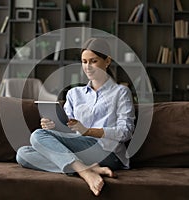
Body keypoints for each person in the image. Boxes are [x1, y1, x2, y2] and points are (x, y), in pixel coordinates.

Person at [16, 38, 135, 196]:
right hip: (79, 148)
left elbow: (126, 131)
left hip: (107, 152)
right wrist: (53, 126)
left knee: (37, 135)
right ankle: (86, 169)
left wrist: (88, 131)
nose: (87, 67)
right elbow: (68, 128)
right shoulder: (74, 94)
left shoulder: (121, 92)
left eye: (93, 61)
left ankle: (84, 172)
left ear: (107, 61)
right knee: (23, 154)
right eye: (84, 61)